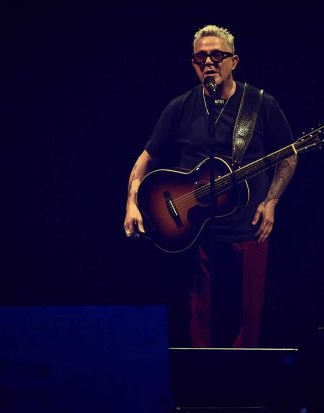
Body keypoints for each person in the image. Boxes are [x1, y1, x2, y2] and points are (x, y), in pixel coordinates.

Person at [124, 25, 297, 348]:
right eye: (201, 57)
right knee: (198, 317)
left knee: (248, 320)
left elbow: (288, 156)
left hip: (247, 227)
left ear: (234, 61)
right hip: (192, 229)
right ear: (193, 64)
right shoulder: (179, 106)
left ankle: (244, 387)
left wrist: (271, 201)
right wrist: (131, 202)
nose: (209, 62)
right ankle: (202, 384)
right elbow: (145, 159)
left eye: (217, 55)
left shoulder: (260, 103)